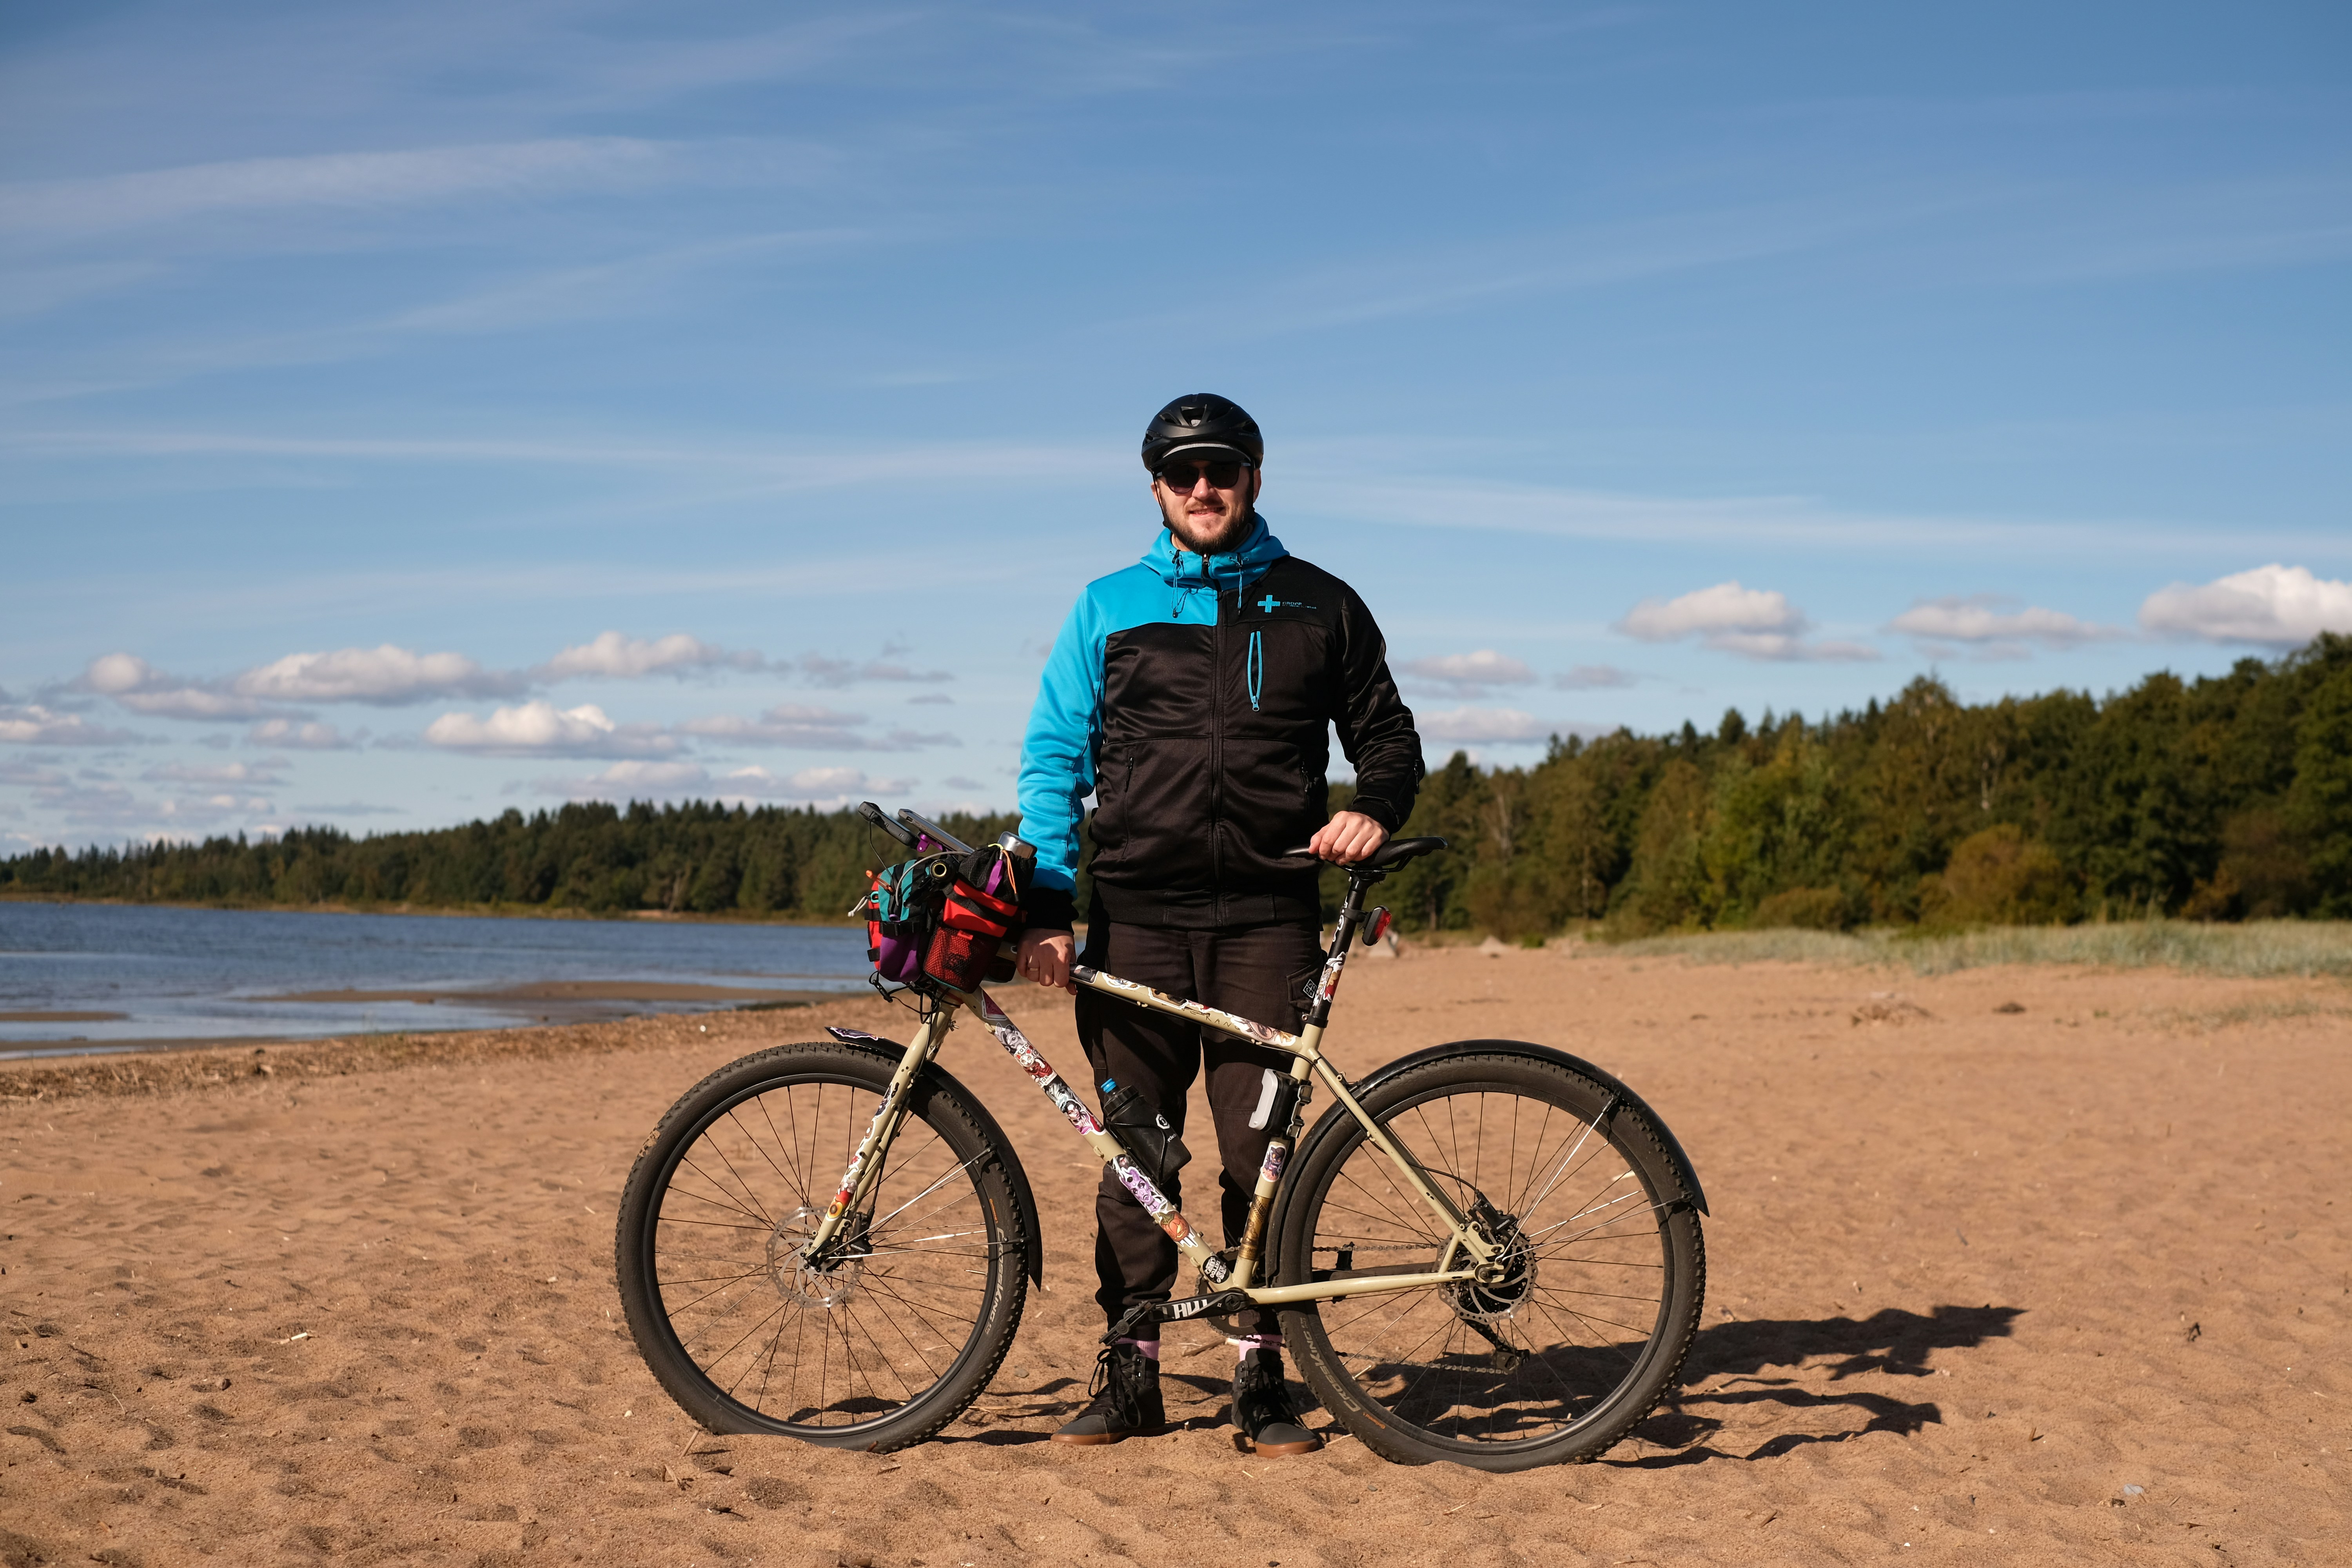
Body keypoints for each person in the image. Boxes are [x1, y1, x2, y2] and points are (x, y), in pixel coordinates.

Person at [1013, 393, 1423, 1455]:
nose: (1205, 488)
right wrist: (1050, 910)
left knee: (1261, 1157)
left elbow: (1388, 735)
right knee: (1138, 1158)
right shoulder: (1107, 607)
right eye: (1183, 472)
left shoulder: (1319, 604)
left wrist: (1372, 808)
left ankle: (1264, 1371)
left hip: (1265, 922)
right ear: (1155, 487)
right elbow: (1054, 761)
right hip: (1138, 918)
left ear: (1254, 478)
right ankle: (1131, 1365)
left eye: (1223, 469)